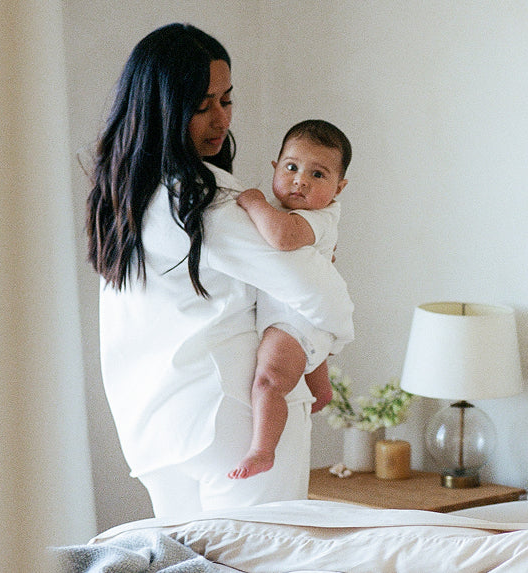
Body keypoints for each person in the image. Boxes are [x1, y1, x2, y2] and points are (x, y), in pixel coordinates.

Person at [86, 23, 354, 519]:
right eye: (201, 105)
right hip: (236, 418)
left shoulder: (123, 195)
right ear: (161, 109)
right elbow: (323, 300)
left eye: (226, 100)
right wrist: (325, 322)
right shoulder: (206, 201)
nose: (221, 119)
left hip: (156, 428)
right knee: (264, 557)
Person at [226, 120, 352, 480]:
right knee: (303, 355)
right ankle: (321, 388)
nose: (300, 180)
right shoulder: (288, 208)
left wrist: (252, 202)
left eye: (318, 174)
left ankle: (262, 450)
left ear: (338, 188)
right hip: (305, 316)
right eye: (292, 167)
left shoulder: (320, 218)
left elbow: (281, 237)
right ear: (275, 168)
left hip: (294, 318)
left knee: (269, 380)